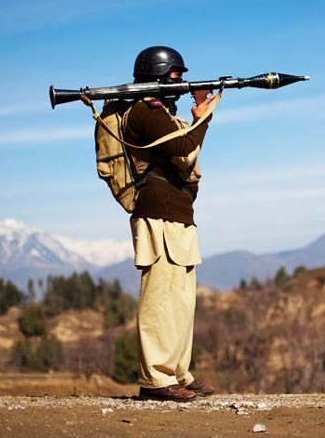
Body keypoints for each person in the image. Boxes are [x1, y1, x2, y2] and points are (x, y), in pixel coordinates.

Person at [123, 46, 217, 402]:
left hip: (177, 214)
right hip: (158, 213)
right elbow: (181, 149)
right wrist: (204, 116)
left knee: (180, 301)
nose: (180, 82)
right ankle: (155, 380)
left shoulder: (161, 111)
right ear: (158, 76)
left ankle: (177, 373)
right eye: (175, 76)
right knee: (160, 299)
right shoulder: (145, 111)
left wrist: (195, 115)